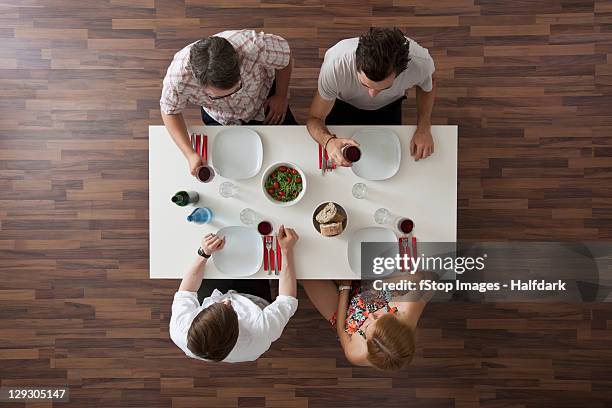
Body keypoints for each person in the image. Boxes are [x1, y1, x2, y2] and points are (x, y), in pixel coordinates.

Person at [160, 29, 297, 175]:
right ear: (199, 82)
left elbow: (285, 59)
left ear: (238, 61)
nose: (231, 97)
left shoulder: (256, 46)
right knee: (229, 167)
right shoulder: (177, 78)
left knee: (295, 147)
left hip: (263, 100)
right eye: (219, 96)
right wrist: (190, 154)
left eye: (236, 88)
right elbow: (169, 111)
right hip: (220, 118)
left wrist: (281, 96)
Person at [306, 27, 437, 166]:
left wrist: (424, 126)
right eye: (365, 84)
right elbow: (314, 119)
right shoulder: (336, 66)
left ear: (401, 71)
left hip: (390, 106)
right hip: (344, 104)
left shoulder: (420, 63)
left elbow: (429, 83)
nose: (372, 95)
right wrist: (329, 141)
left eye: (384, 87)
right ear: (356, 64)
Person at [169, 225, 299, 363]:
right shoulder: (261, 331)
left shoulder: (180, 329)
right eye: (231, 309)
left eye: (217, 305)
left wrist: (204, 253)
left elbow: (187, 291)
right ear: (237, 329)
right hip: (254, 299)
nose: (227, 300)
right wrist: (286, 250)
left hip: (213, 293)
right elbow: (287, 299)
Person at [301, 272, 432, 371]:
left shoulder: (356, 354)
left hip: (347, 313)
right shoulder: (408, 310)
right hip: (373, 287)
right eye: (377, 317)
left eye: (365, 329)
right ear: (396, 319)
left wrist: (344, 287)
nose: (369, 316)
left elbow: (341, 330)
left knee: (306, 274)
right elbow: (427, 278)